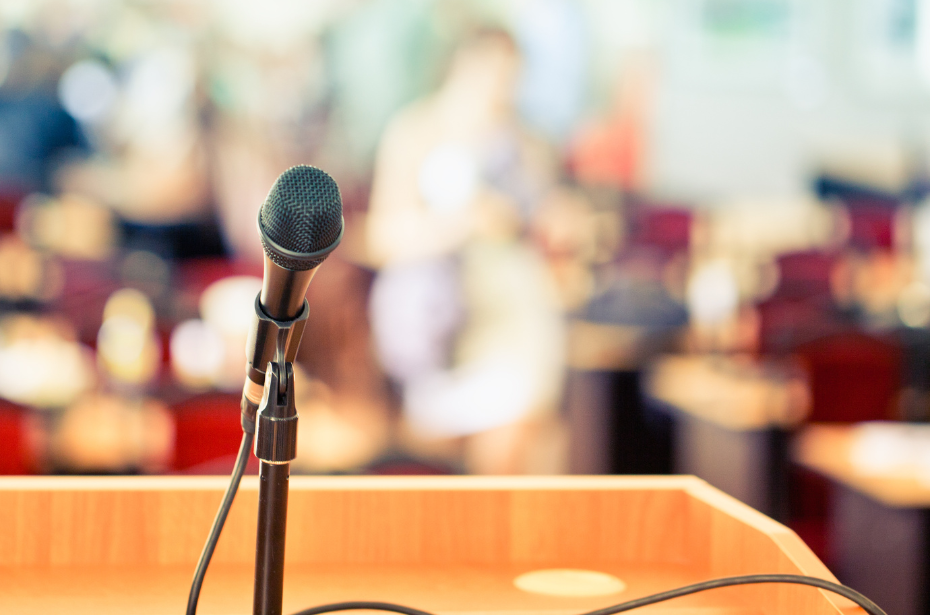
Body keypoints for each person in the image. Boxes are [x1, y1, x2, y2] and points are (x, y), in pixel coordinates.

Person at [366, 28, 566, 474]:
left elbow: (541, 224)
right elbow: (381, 237)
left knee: (515, 441)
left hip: (510, 323)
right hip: (435, 326)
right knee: (456, 457)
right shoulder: (415, 131)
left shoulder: (526, 143)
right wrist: (463, 223)